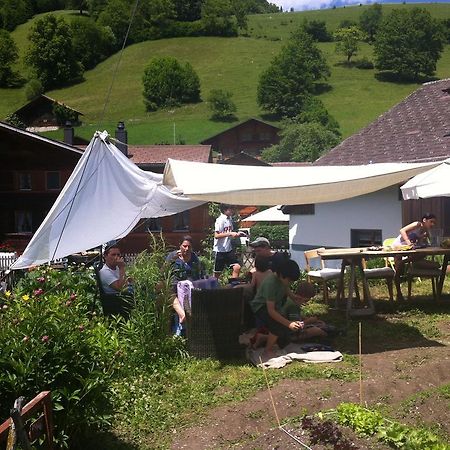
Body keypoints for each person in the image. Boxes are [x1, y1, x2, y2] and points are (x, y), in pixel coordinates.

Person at [250, 258, 304, 358]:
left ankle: (262, 338)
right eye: (289, 280)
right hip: (261, 307)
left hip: (274, 307)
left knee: (284, 336)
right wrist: (289, 323)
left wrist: (293, 296)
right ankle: (267, 351)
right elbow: (271, 311)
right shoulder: (271, 284)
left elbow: (285, 288)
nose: (290, 282)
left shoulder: (282, 280)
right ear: (281, 275)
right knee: (277, 325)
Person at [392, 213, 438, 301]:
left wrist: (424, 239)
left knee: (423, 253)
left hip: (410, 248)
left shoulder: (425, 230)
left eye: (434, 223)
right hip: (399, 246)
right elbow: (402, 230)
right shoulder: (417, 224)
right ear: (424, 220)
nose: (432, 224)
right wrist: (408, 242)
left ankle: (405, 262)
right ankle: (399, 294)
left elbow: (422, 241)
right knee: (398, 271)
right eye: (431, 222)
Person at [166, 236, 204, 336]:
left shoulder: (194, 258)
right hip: (174, 285)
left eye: (189, 247)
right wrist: (172, 260)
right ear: (180, 246)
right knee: (170, 292)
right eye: (184, 246)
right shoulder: (172, 256)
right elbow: (163, 272)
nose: (186, 249)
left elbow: (199, 275)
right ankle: (183, 315)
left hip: (189, 287)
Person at [213, 204, 241, 279]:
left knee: (237, 267)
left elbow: (229, 233)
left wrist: (236, 234)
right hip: (220, 250)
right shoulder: (220, 220)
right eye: (231, 208)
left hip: (228, 249)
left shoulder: (230, 219)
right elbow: (216, 235)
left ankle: (233, 286)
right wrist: (230, 233)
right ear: (225, 210)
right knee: (217, 275)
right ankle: (214, 288)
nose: (233, 210)